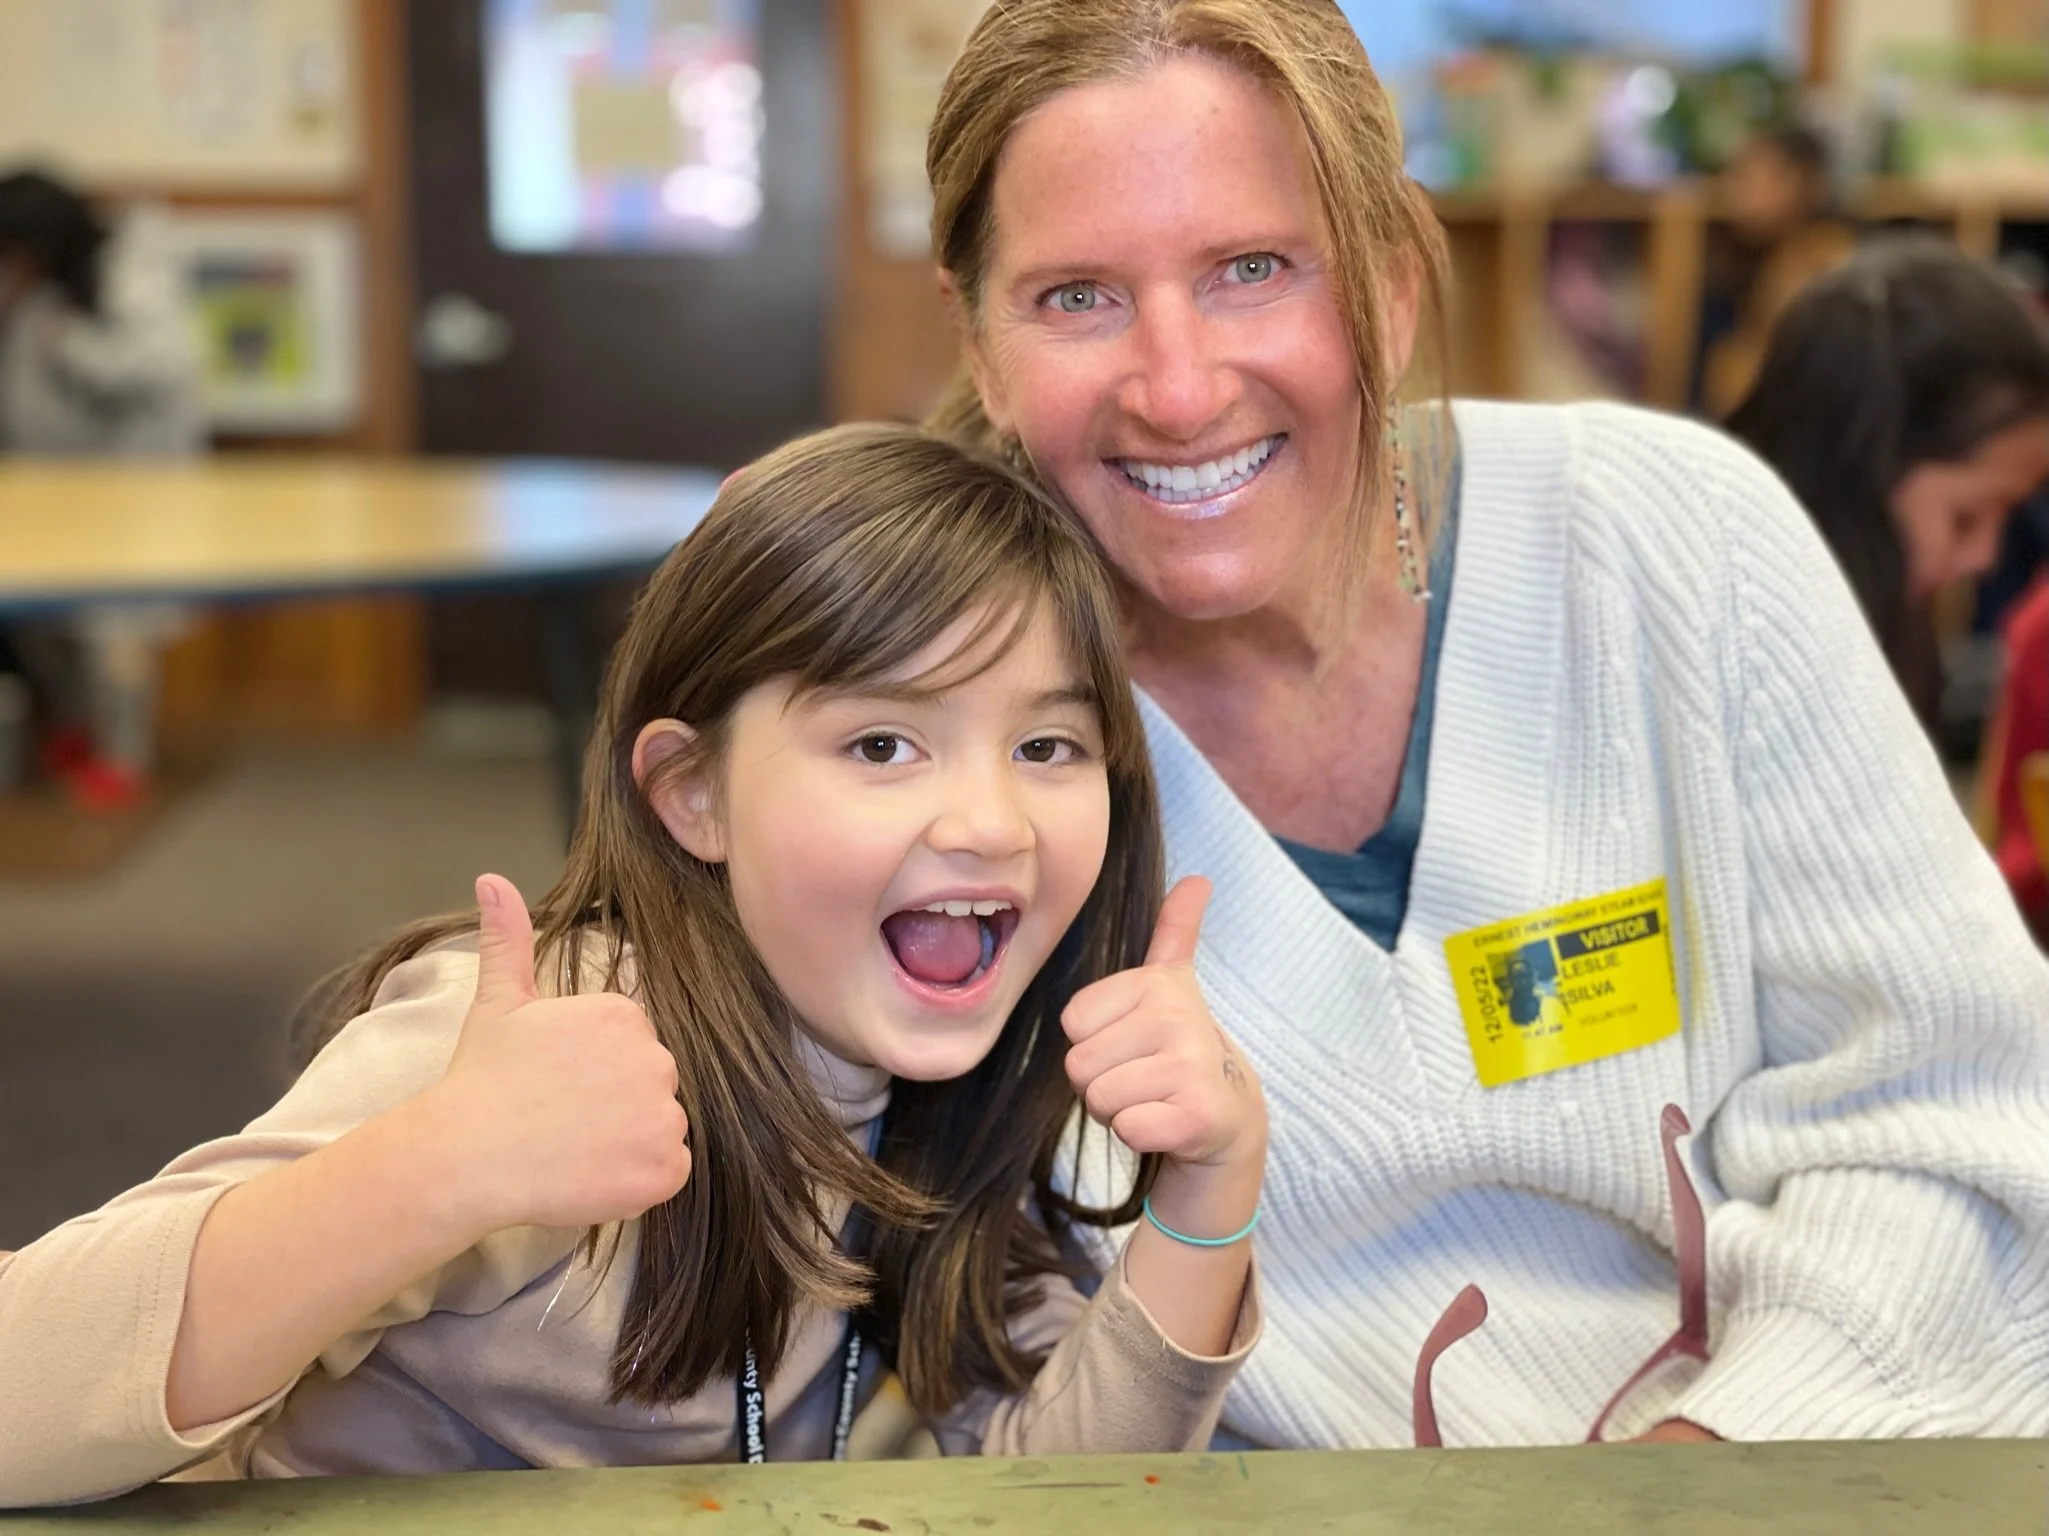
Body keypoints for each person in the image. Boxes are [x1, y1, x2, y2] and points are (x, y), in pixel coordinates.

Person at [923, 0, 2049, 1449]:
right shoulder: (926, 727)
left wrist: (1698, 1476)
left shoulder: (1671, 544)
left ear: (1389, 290)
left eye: (1254, 269)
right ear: (978, 339)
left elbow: (1951, 1111)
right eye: (1076, 294)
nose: (1180, 387)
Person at [0, 426, 1267, 1506]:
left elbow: (1060, 1502)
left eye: (1050, 747)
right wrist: (440, 1166)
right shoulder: (543, 1034)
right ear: (692, 794)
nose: (992, 821)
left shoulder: (964, 1081)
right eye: (883, 744)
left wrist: (1207, 1197)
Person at [1728, 240, 2049, 730]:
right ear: (1858, 472)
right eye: (1965, 519)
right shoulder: (1734, 662)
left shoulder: (1895, 638)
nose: (1985, 556)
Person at [1696, 124, 1856, 420]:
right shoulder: (1761, 253)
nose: (1737, 194)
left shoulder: (1823, 257)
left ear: (1804, 182)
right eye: (1738, 177)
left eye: (1755, 179)